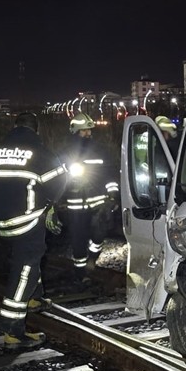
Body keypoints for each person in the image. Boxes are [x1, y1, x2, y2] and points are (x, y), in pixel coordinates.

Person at [0, 112, 68, 346]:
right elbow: (60, 183)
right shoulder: (41, 153)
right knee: (25, 269)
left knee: (31, 255)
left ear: (14, 126)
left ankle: (34, 298)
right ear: (36, 130)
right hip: (27, 220)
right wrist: (50, 205)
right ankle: (12, 329)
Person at [63, 113, 118, 278]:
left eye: (89, 130)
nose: (87, 133)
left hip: (99, 203)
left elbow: (109, 175)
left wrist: (113, 194)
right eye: (83, 131)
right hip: (76, 206)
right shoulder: (66, 152)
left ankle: (92, 259)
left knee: (99, 235)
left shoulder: (100, 150)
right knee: (78, 240)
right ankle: (80, 273)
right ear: (75, 132)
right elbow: (59, 179)